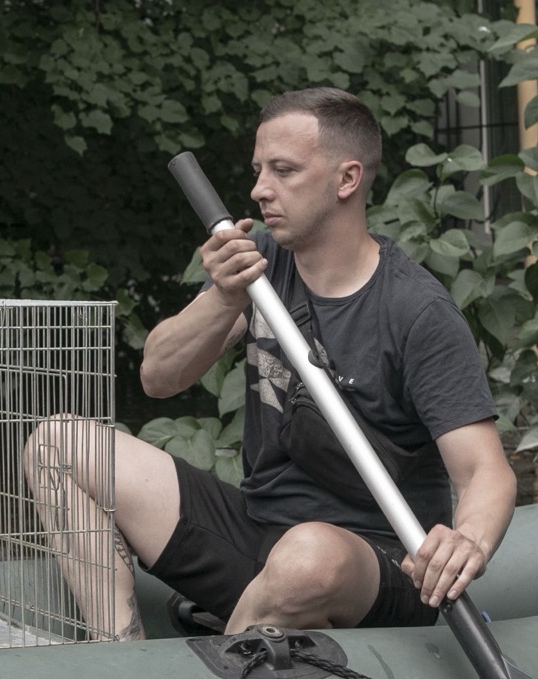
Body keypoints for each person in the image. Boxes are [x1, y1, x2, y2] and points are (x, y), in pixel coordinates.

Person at [26, 87, 513, 640]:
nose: (260, 189)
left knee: (307, 555)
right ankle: (118, 656)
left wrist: (468, 540)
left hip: (374, 565)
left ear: (347, 179)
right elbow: (158, 376)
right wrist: (224, 297)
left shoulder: (415, 310)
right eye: (259, 170)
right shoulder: (259, 267)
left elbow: (485, 470)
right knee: (58, 442)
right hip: (259, 535)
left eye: (283, 170)